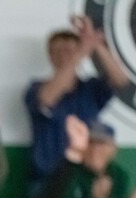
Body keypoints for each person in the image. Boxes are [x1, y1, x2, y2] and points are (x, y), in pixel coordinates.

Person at [26, 18, 128, 184]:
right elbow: (47, 99)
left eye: (70, 51)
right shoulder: (36, 89)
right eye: (59, 51)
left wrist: (95, 44)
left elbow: (121, 81)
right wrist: (80, 53)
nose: (65, 56)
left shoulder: (90, 88)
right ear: (50, 56)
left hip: (86, 178)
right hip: (48, 180)